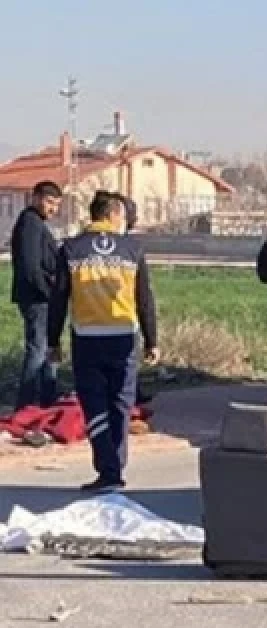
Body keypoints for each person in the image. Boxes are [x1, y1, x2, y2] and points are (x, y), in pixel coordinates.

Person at [48, 192, 159, 493]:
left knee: (95, 404)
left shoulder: (71, 249)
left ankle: (108, 469)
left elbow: (58, 299)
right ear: (112, 215)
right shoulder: (132, 249)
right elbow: (144, 299)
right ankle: (116, 465)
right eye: (123, 215)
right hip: (124, 338)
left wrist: (52, 341)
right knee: (121, 403)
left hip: (87, 339)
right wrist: (152, 340)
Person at [9, 181, 63, 410]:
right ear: (36, 198)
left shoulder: (36, 223)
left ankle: (47, 400)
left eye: (57, 205)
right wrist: (49, 293)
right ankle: (27, 405)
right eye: (49, 202)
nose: (53, 209)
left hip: (40, 297)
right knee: (38, 351)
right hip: (37, 298)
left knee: (47, 349)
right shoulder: (30, 223)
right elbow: (31, 267)